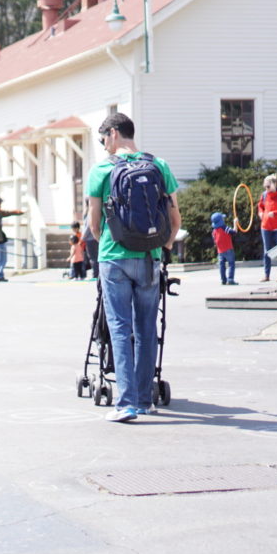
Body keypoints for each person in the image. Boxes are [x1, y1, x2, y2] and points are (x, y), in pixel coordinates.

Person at [87, 112, 181, 423]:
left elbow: (93, 222)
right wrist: (161, 247)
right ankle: (144, 400)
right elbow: (175, 218)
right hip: (149, 256)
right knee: (146, 329)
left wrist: (109, 245)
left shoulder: (101, 169)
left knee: (119, 329)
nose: (104, 147)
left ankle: (125, 404)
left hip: (114, 257)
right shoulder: (159, 165)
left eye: (104, 140)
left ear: (113, 133)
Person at [211, 212, 239, 285]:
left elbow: (215, 241)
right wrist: (235, 223)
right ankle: (230, 279)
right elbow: (234, 232)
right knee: (231, 264)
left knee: (222, 265)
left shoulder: (214, 231)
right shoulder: (224, 228)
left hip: (220, 251)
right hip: (228, 249)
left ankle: (223, 280)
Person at [82, 205, 100, 280]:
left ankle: (95, 274)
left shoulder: (89, 213)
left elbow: (89, 227)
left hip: (90, 238)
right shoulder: (95, 211)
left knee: (93, 257)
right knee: (95, 257)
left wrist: (82, 237)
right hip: (95, 238)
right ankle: (97, 274)